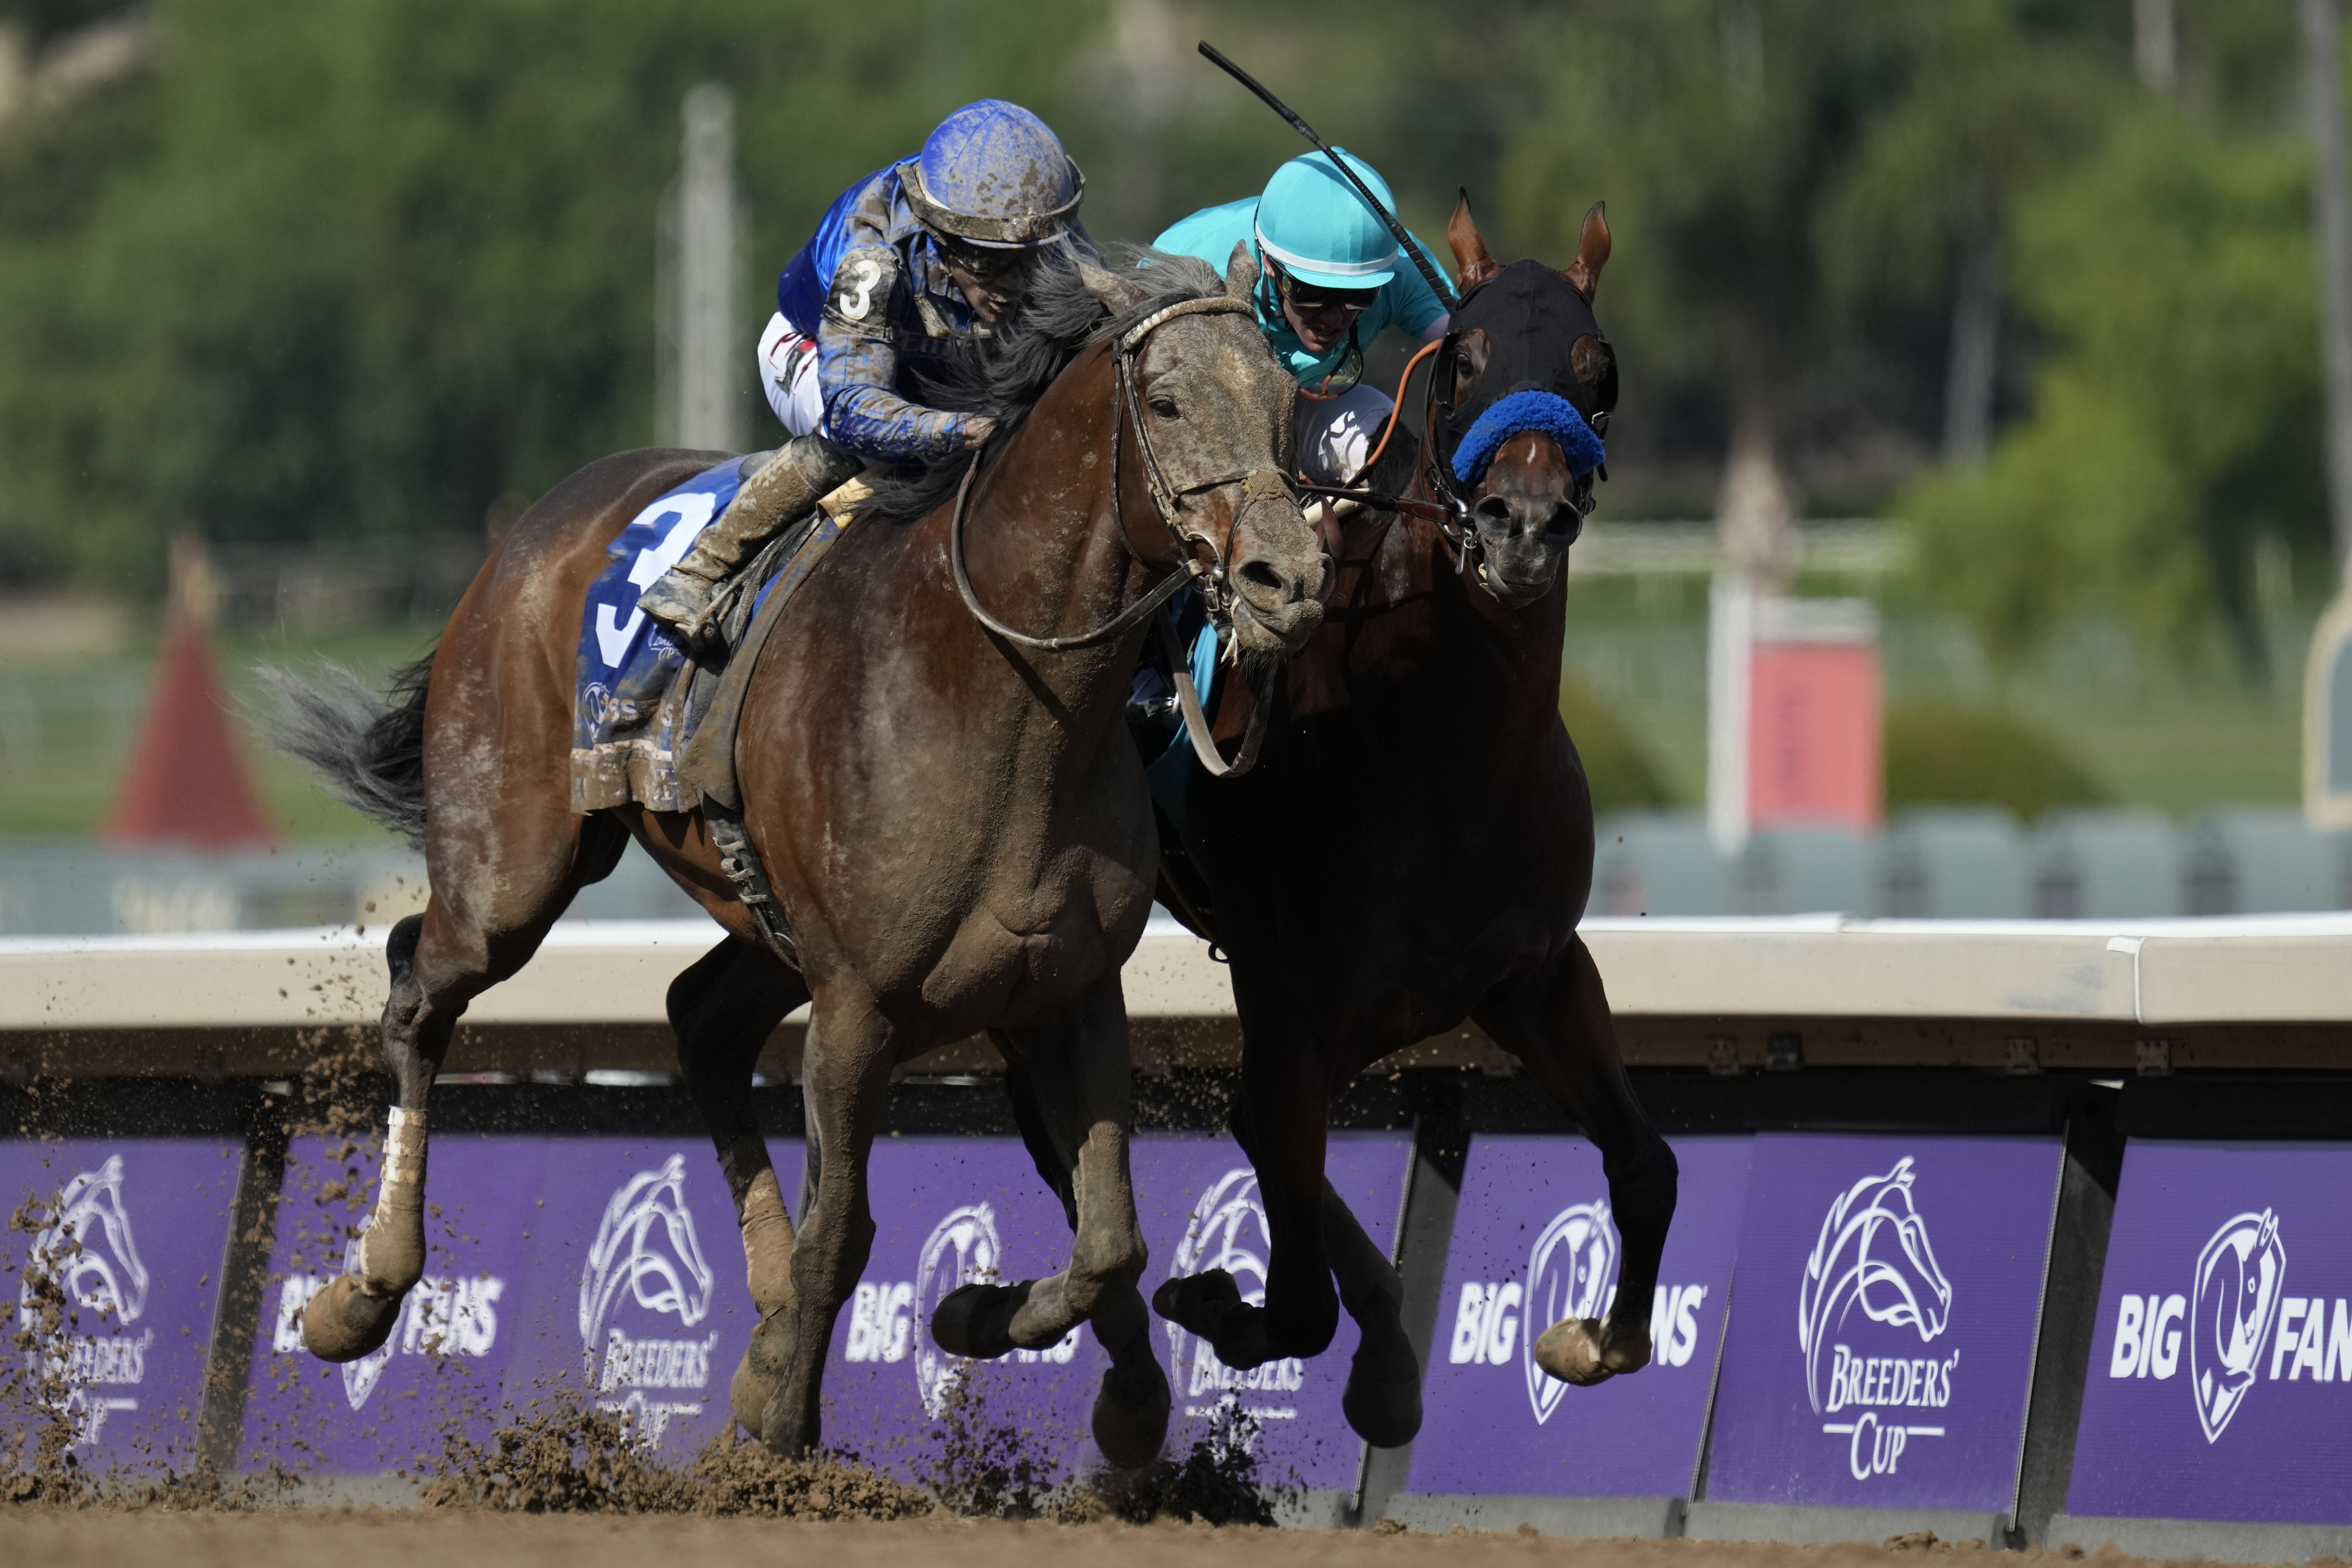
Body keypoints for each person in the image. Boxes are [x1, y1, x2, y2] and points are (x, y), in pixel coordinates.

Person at [638, 99, 1090, 650]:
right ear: (940, 234)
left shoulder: (1048, 233)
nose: (1013, 284)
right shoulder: (872, 256)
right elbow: (855, 410)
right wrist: (959, 431)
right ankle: (698, 571)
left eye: (1030, 257)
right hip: (814, 353)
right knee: (871, 447)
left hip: (943, 368)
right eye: (987, 261)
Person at [1154, 149, 1448, 490]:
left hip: (1302, 406)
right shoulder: (1192, 263)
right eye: (1311, 292)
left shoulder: (1397, 271)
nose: (1334, 318)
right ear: (1267, 264)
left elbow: (1477, 350)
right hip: (1201, 416)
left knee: (1393, 453)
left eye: (1359, 296)